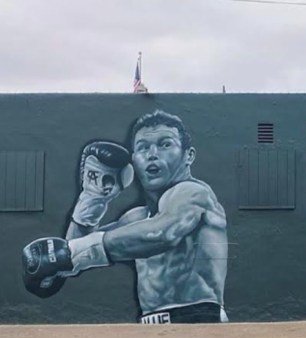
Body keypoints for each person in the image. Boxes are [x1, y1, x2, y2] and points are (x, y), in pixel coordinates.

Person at [22, 110, 229, 324]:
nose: (152, 154)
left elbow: (162, 233)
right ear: (133, 162)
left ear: (189, 155)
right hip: (149, 322)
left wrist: (71, 253)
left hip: (199, 318)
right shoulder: (136, 218)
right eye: (143, 147)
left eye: (165, 144)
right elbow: (74, 252)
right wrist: (91, 200)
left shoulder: (194, 193)